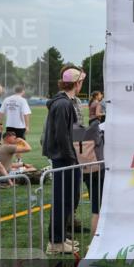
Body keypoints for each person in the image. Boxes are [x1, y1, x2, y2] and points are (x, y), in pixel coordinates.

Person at [42, 69, 85, 255]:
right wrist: (72, 158)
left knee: (68, 199)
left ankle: (59, 238)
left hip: (65, 157)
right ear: (76, 83)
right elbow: (61, 135)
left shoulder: (63, 102)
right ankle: (55, 242)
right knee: (62, 199)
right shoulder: (62, 104)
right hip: (64, 158)